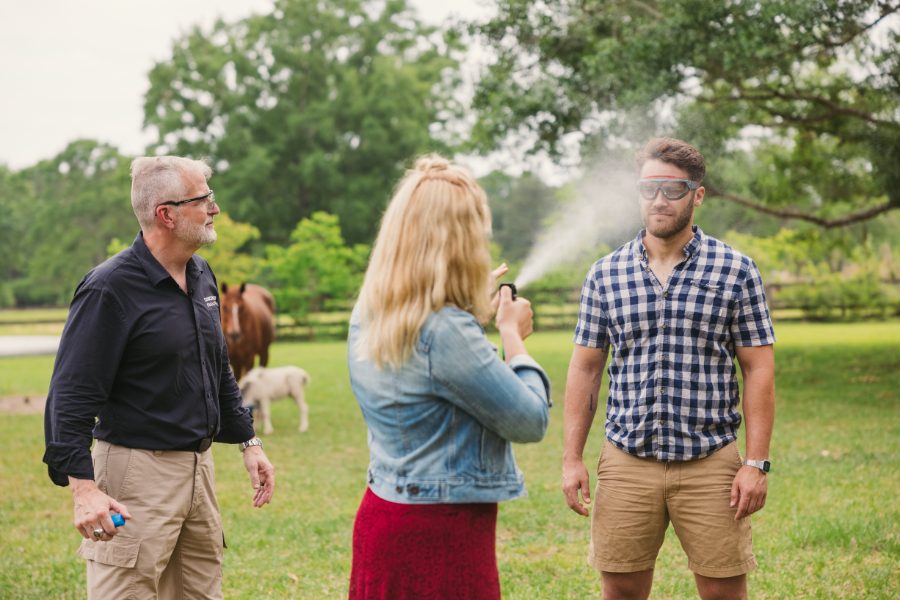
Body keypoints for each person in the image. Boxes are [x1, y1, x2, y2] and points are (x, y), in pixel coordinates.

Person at [43, 156, 275, 599]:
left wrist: (249, 441)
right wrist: (83, 490)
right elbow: (71, 394)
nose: (215, 208)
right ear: (166, 214)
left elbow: (217, 367)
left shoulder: (201, 274)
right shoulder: (109, 287)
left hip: (199, 472)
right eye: (203, 199)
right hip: (135, 474)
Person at [561, 138, 776, 600]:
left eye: (673, 189)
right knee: (621, 590)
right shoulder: (605, 274)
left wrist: (756, 463)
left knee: (722, 593)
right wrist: (571, 458)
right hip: (626, 460)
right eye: (649, 188)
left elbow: (758, 369)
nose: (659, 199)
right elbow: (585, 369)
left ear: (697, 195)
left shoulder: (737, 270)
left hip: (711, 461)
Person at [346, 154, 552, 599]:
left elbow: (430, 369)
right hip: (441, 533)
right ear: (461, 240)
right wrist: (512, 335)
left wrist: (465, 308)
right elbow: (530, 420)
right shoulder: (445, 330)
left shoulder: (372, 308)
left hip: (384, 514)